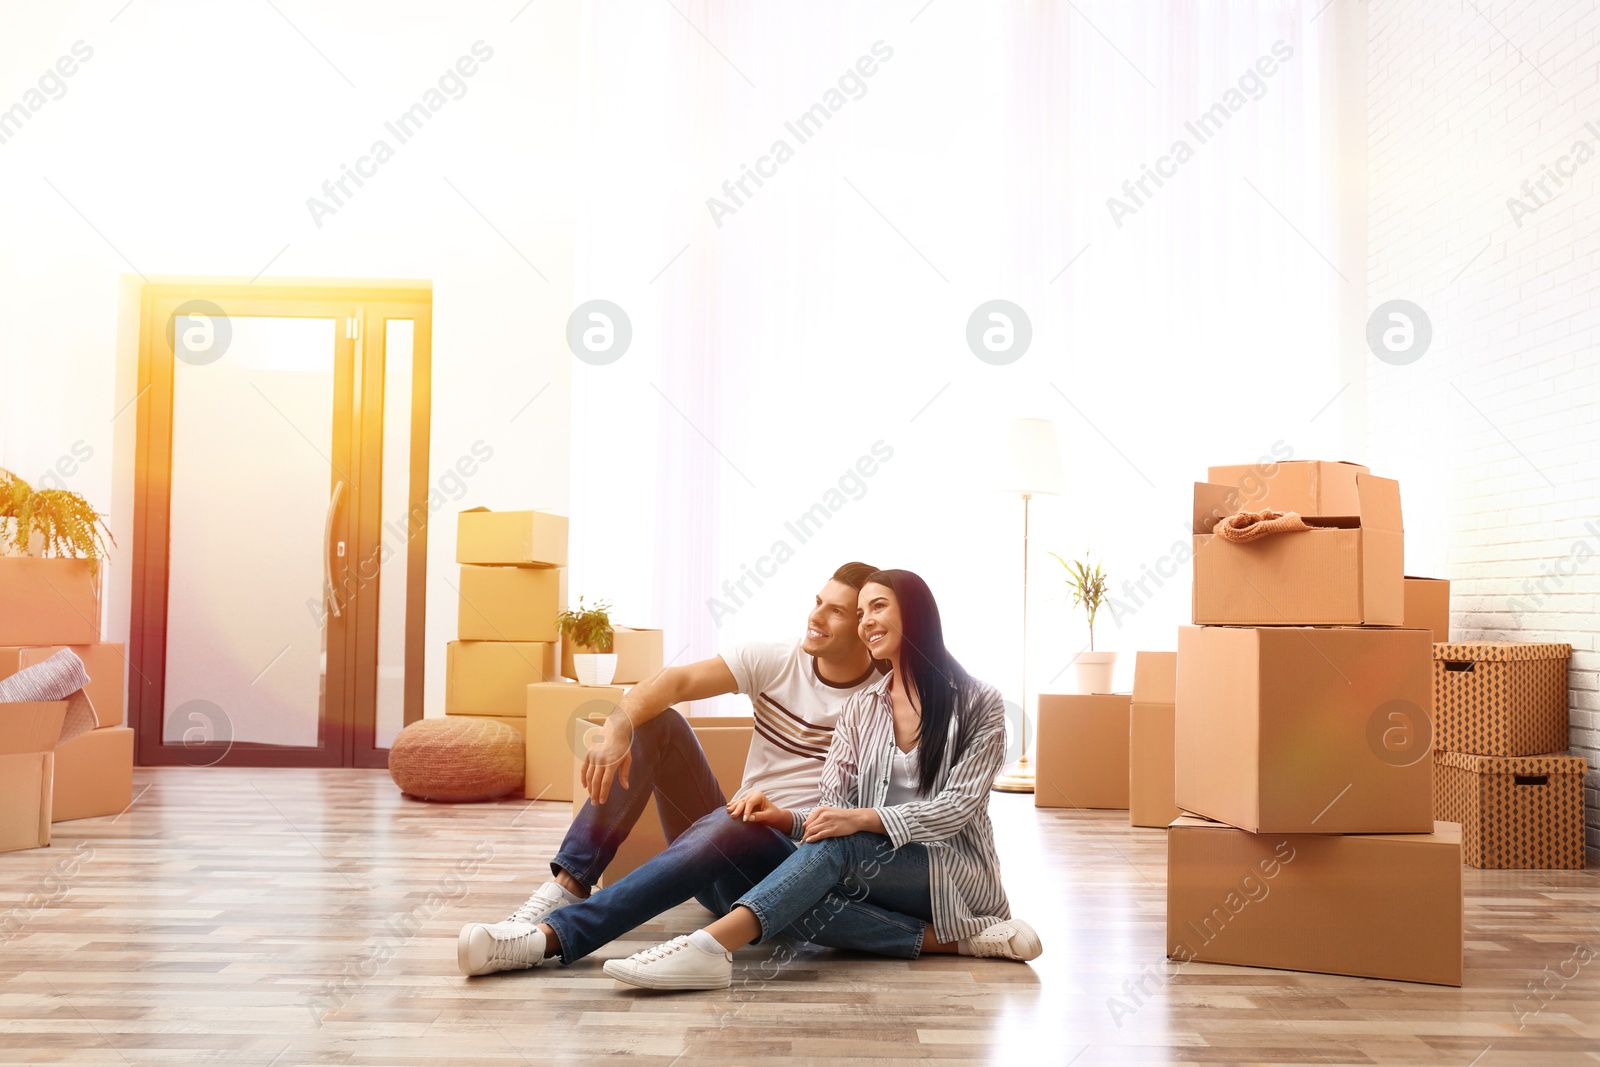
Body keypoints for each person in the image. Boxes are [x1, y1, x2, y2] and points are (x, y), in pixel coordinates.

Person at [604, 568, 1042, 991]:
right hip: (871, 869)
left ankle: (709, 948)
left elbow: (956, 810)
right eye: (862, 612)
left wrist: (862, 821)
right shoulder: (862, 706)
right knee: (799, 881)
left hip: (949, 872)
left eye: (878, 607)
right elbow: (832, 809)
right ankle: (957, 942)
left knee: (830, 853)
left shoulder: (979, 702)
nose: (867, 620)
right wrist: (785, 820)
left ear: (915, 613)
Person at [459, 561, 894, 975]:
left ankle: (546, 940)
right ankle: (565, 889)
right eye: (817, 601)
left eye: (835, 611)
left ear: (863, 627)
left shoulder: (887, 700)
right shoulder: (777, 660)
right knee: (658, 724)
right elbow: (676, 682)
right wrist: (617, 726)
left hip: (786, 878)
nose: (815, 617)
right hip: (719, 858)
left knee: (738, 821)